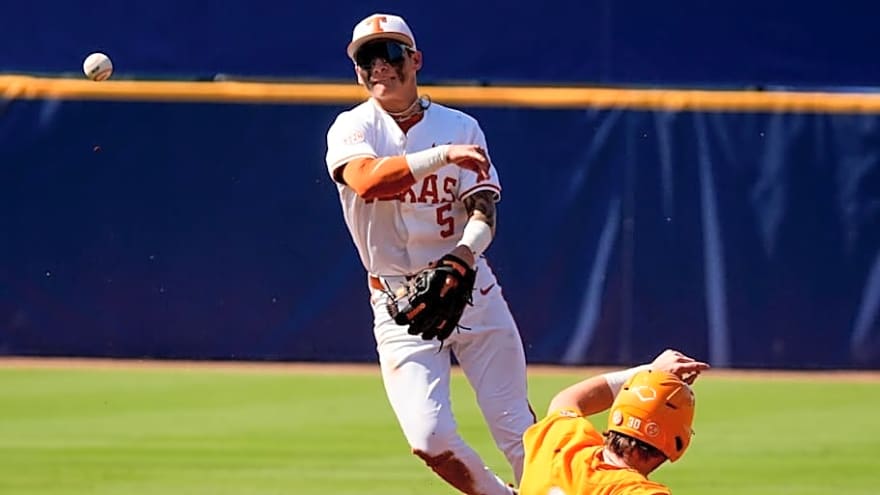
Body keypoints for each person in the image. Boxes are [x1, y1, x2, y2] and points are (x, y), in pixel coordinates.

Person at [324, 13, 535, 495]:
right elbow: (369, 182)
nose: (379, 66)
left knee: (519, 433)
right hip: (397, 303)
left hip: (472, 291)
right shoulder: (351, 129)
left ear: (415, 60)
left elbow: (483, 211)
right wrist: (440, 157)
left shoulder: (460, 127)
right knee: (428, 438)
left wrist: (464, 255)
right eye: (367, 58)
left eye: (391, 54)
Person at [518, 350, 711, 495]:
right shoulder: (634, 491)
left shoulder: (558, 446)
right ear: (677, 444)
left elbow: (568, 399)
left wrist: (650, 372)